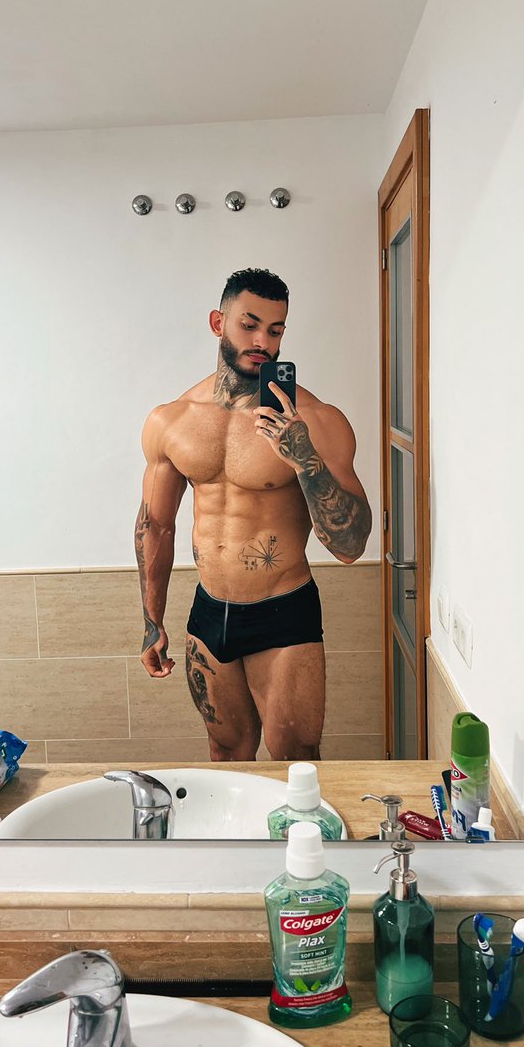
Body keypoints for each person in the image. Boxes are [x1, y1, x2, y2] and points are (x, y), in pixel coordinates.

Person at [135, 268, 372, 761]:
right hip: (209, 612)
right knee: (226, 753)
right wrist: (151, 621)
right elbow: (156, 526)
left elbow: (352, 547)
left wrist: (305, 459)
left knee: (295, 761)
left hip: (283, 613)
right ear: (218, 322)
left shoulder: (316, 421)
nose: (264, 341)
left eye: (276, 329)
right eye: (250, 325)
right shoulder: (172, 420)